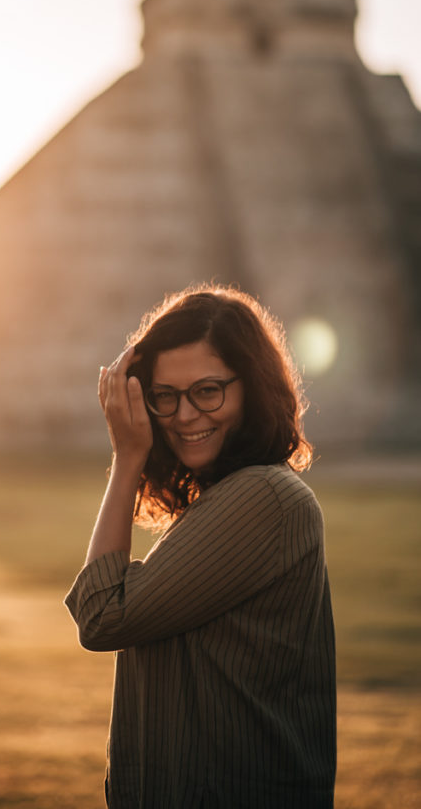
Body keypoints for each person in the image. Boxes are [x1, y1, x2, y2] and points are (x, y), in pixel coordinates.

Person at [65, 284, 336, 809]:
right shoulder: (221, 498)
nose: (185, 414)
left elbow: (102, 616)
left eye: (208, 391)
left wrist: (126, 461)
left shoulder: (263, 496)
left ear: (251, 388)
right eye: (165, 396)